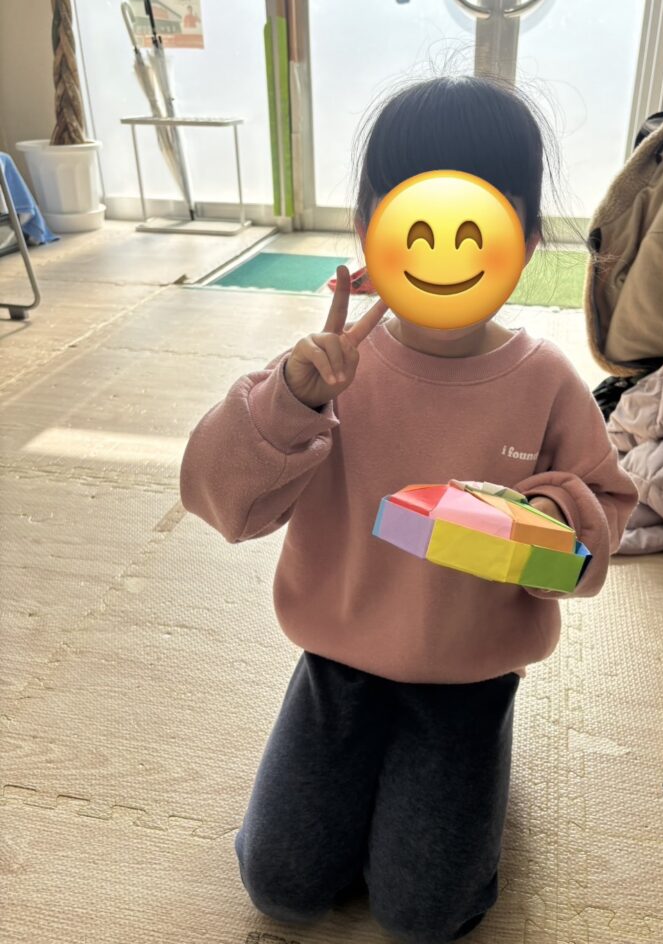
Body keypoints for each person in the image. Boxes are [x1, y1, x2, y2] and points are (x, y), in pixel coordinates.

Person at [179, 75, 638, 944]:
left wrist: (541, 517)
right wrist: (289, 402)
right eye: (414, 219)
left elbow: (601, 522)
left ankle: (479, 771)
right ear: (369, 232)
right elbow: (220, 500)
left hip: (469, 677)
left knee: (424, 914)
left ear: (526, 239)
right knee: (281, 885)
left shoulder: (546, 381)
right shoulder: (326, 373)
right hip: (337, 664)